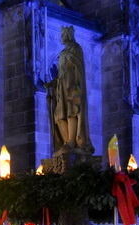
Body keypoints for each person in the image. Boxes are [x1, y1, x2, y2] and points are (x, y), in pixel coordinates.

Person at [45, 26, 93, 155]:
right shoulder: (63, 52)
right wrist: (52, 83)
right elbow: (61, 74)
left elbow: (78, 69)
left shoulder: (75, 49)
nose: (61, 37)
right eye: (61, 34)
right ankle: (66, 142)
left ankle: (72, 141)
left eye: (63, 34)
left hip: (72, 88)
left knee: (72, 112)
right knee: (59, 116)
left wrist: (77, 87)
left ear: (68, 35)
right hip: (62, 88)